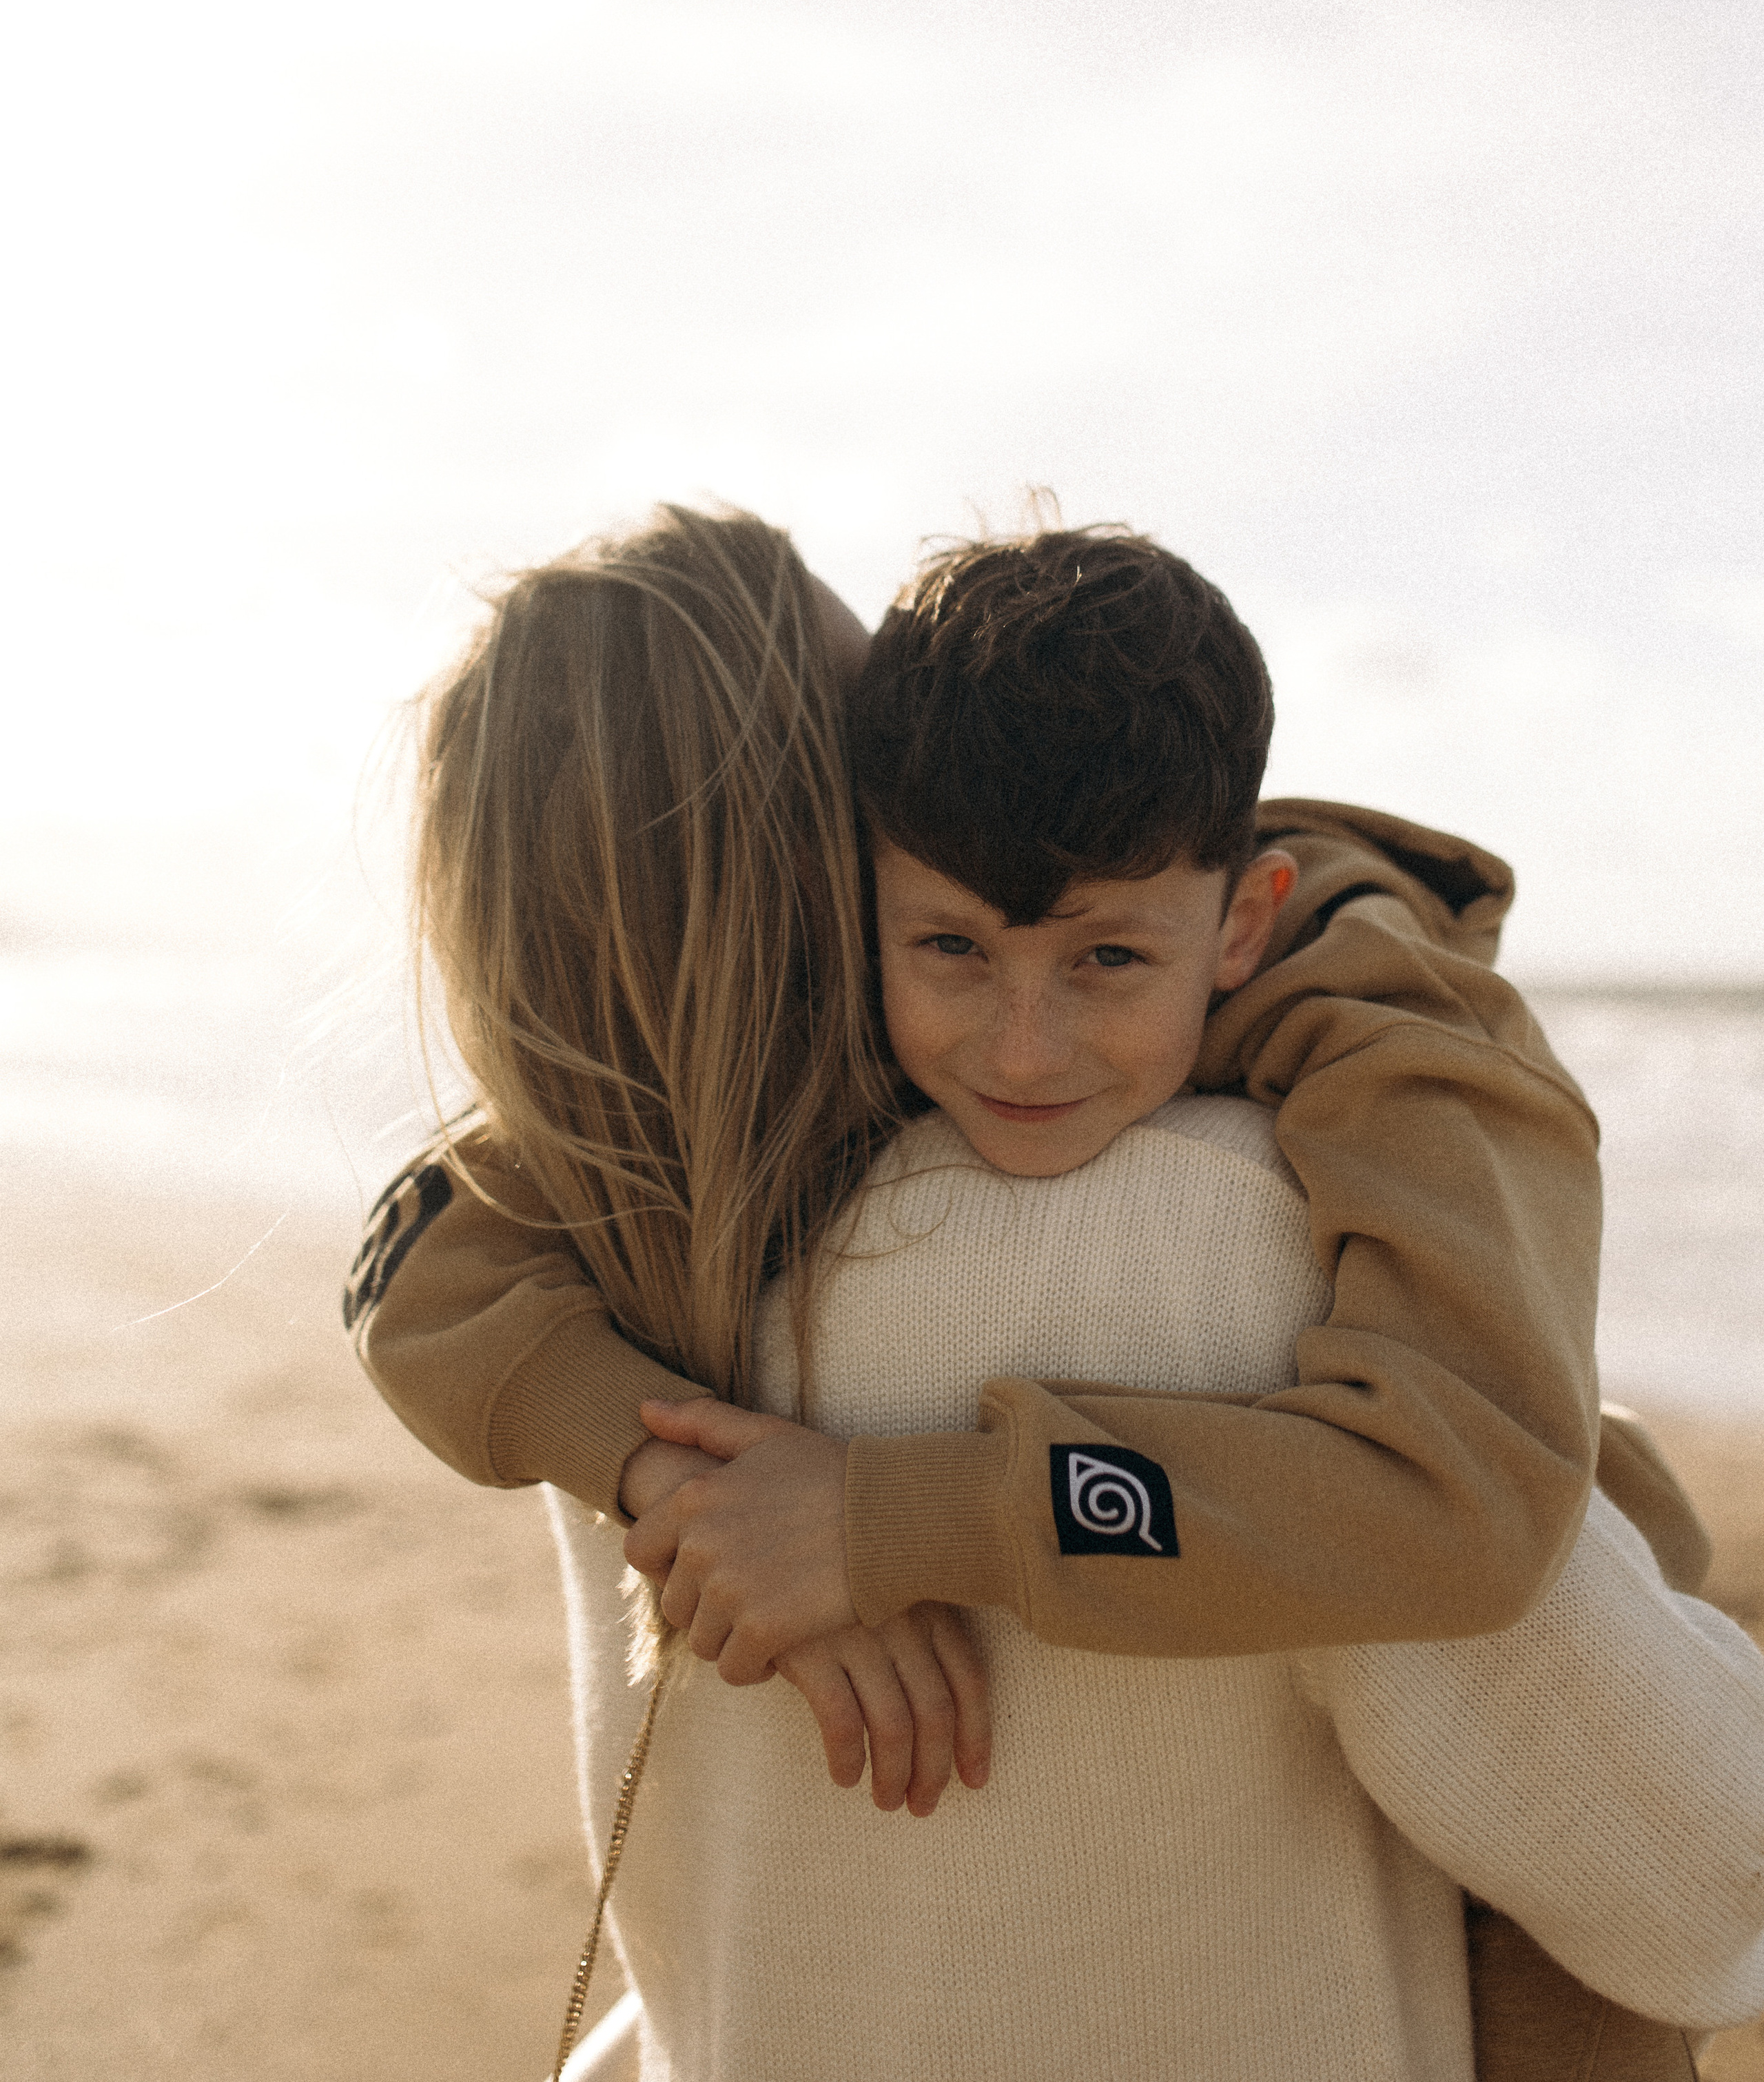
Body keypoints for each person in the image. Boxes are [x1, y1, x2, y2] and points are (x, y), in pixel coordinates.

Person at [347, 506, 1752, 2078]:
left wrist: (664, 1464)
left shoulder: (602, 1273)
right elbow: (1692, 1865)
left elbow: (406, 1247)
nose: (1023, 1044)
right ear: (848, 841)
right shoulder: (1236, 1241)